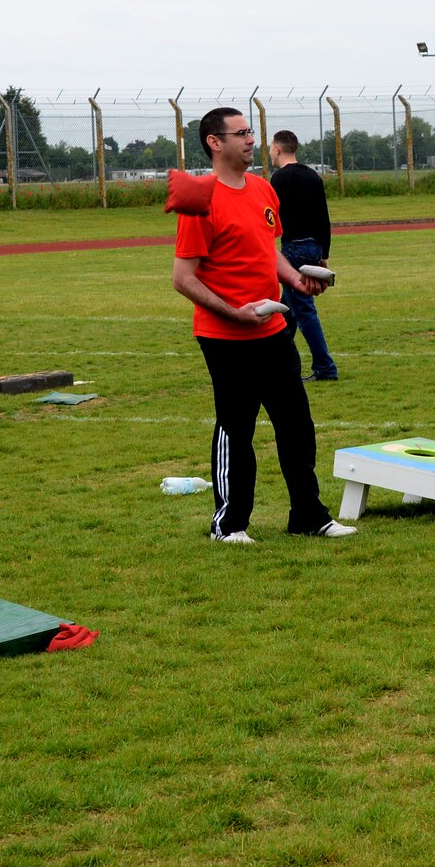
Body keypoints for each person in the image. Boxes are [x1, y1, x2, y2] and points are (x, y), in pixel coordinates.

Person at [171, 107, 357, 544]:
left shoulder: (261, 189)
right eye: (241, 133)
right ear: (215, 143)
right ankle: (230, 524)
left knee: (296, 425)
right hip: (225, 336)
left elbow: (266, 250)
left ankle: (309, 515)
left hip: (272, 329)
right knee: (237, 429)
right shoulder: (200, 199)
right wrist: (232, 312)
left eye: (252, 131)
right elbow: (183, 277)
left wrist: (294, 279)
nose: (251, 139)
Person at [268, 130, 338, 382]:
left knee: (304, 310)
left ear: (277, 148)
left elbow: (271, 215)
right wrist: (323, 253)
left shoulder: (278, 179)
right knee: (287, 309)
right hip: (313, 246)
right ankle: (274, 362)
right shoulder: (312, 176)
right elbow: (323, 217)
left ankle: (325, 368)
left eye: (270, 148)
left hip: (293, 248)